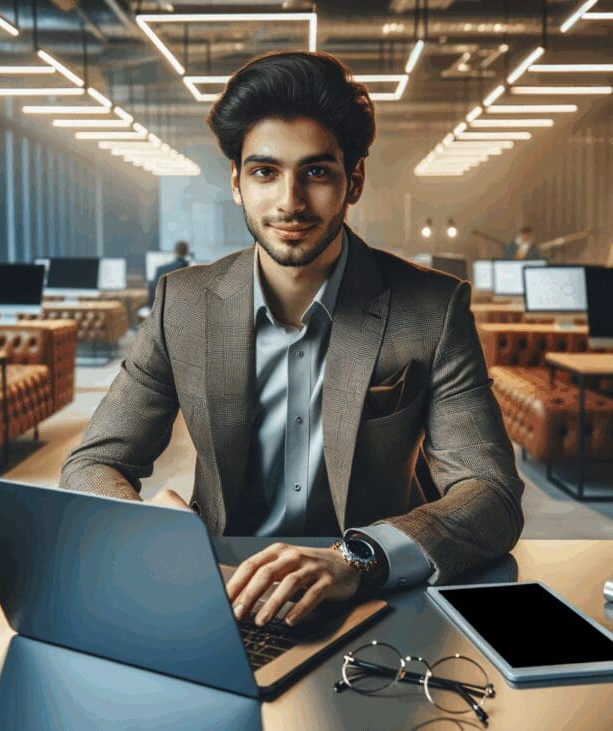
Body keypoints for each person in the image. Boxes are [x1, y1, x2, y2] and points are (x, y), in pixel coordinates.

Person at [60, 51, 524, 628]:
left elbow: (492, 494)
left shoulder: (432, 309)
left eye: (317, 172)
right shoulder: (182, 303)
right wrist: (152, 533)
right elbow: (93, 463)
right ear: (236, 182)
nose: (290, 201)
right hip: (220, 590)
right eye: (264, 172)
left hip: (372, 596)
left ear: (353, 181)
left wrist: (358, 557)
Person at [148, 240, 190, 308]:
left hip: (165, 311)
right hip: (186, 311)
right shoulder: (192, 272)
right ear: (187, 252)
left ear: (175, 251)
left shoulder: (161, 270)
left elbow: (155, 290)